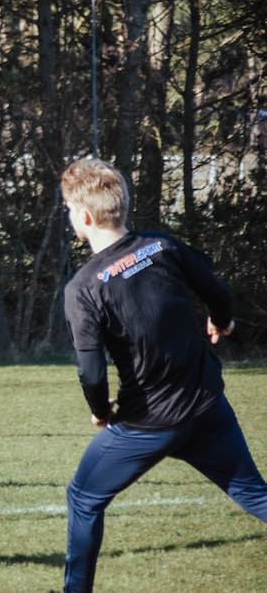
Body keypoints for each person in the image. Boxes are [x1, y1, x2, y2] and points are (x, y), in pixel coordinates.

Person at [59, 157, 267, 592]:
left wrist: (100, 411)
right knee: (254, 494)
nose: (69, 215)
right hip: (207, 406)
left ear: (85, 217)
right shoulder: (161, 245)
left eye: (69, 209)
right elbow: (217, 290)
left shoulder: (83, 288)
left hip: (148, 424)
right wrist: (222, 320)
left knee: (83, 497)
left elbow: (91, 370)